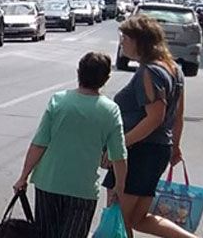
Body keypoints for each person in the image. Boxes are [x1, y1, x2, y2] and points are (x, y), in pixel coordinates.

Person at [13, 52, 129, 238]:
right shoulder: (110, 110)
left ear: (78, 72)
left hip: (48, 183)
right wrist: (119, 188)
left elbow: (39, 144)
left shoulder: (58, 101)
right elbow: (119, 156)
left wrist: (23, 177)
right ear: (106, 78)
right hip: (82, 190)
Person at [103, 15, 192, 238]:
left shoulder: (149, 72)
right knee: (136, 218)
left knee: (120, 218)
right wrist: (175, 145)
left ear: (139, 42)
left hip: (139, 152)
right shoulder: (173, 68)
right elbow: (178, 115)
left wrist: (119, 147)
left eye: (126, 38)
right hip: (157, 150)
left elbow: (155, 117)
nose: (122, 42)